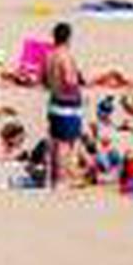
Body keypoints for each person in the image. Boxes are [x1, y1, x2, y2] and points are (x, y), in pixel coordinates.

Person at [43, 22, 85, 189]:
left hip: (54, 100)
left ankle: (54, 178)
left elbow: (44, 80)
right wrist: (77, 85)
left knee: (55, 141)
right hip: (68, 101)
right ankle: (62, 179)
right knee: (66, 143)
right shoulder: (65, 56)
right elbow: (69, 79)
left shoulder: (48, 56)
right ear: (68, 37)